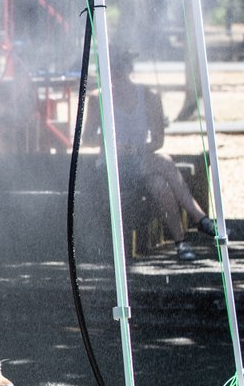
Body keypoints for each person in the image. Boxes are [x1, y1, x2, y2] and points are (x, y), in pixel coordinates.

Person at [86, 51, 216, 261]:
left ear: (129, 69)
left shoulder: (148, 96)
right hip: (111, 167)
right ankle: (200, 219)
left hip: (140, 161)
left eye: (118, 68)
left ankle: (181, 243)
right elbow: (87, 139)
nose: (114, 74)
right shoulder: (97, 99)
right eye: (108, 70)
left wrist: (136, 149)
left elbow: (157, 141)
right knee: (164, 161)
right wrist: (112, 144)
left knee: (159, 185)